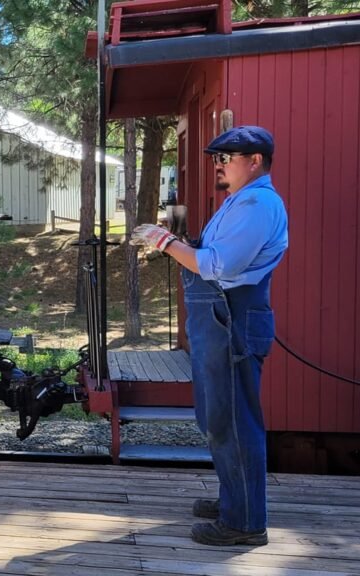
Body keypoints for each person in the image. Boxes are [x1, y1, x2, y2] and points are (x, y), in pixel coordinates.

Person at [131, 126, 288, 547]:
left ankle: (245, 523)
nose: (219, 164)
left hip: (231, 321)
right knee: (219, 417)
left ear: (255, 161)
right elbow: (209, 254)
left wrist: (164, 241)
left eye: (227, 156)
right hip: (220, 320)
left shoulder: (257, 203)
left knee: (234, 421)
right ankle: (234, 500)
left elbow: (216, 265)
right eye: (217, 157)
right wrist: (180, 242)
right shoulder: (240, 201)